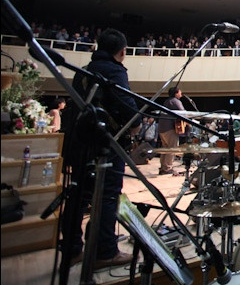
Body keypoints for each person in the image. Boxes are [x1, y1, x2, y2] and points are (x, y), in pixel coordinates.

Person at [67, 28, 141, 268]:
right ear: (122, 51)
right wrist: (135, 126)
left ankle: (72, 249)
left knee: (78, 196)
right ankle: (105, 251)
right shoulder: (114, 70)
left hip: (81, 143)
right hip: (106, 145)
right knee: (107, 195)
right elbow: (127, 106)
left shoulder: (84, 72)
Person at [156, 87, 185, 175]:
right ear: (176, 93)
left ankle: (163, 167)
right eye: (180, 92)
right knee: (172, 148)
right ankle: (167, 168)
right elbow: (183, 112)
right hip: (169, 128)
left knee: (165, 148)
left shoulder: (167, 101)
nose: (181, 93)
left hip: (162, 128)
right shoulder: (175, 101)